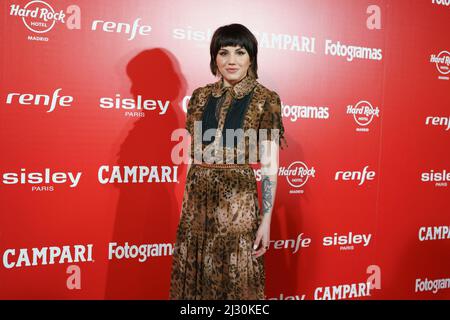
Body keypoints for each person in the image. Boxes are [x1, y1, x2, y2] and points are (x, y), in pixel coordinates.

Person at [170, 23, 288, 300]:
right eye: (223, 53)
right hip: (196, 207)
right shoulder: (199, 98)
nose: (231, 61)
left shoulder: (266, 100)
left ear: (251, 58)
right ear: (214, 58)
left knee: (236, 284)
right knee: (196, 282)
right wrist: (188, 203)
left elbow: (270, 165)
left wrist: (266, 220)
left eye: (240, 52)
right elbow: (193, 156)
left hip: (238, 209)